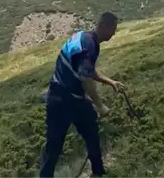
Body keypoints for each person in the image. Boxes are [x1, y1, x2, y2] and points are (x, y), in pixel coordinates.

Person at [40, 12, 124, 178]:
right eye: (113, 29)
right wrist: (100, 105)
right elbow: (86, 80)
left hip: (73, 98)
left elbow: (87, 70)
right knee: (54, 146)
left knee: (91, 133)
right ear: (104, 26)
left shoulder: (86, 39)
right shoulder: (88, 45)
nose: (114, 33)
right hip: (61, 101)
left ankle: (98, 173)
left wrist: (110, 82)